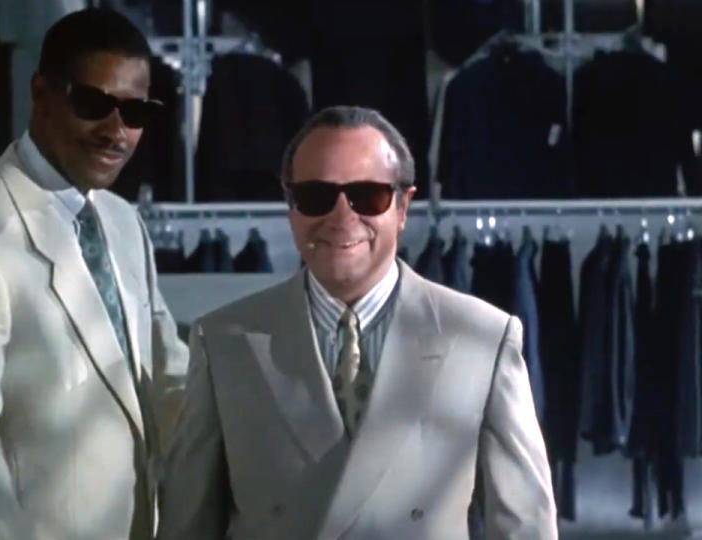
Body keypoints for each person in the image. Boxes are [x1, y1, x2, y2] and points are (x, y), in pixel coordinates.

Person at [157, 106, 557, 539]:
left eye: (367, 196)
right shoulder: (224, 342)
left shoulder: (483, 337)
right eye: (316, 196)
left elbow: (524, 526)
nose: (342, 217)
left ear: (403, 206)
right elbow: (187, 524)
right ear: (291, 206)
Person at [0, 8, 188, 539]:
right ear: (41, 93)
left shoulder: (123, 223)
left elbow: (165, 377)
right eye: (93, 103)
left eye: (135, 112)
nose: (116, 131)